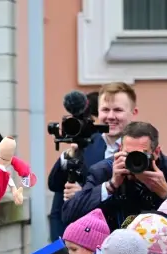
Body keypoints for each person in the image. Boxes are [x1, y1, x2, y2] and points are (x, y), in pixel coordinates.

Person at [62, 121, 167, 230]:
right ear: (120, 150)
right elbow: (68, 214)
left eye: (140, 155)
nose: (134, 160)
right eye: (128, 154)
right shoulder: (104, 171)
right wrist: (111, 185)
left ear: (156, 152)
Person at [48, 83, 138, 242]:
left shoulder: (140, 148)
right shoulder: (84, 146)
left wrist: (82, 197)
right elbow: (55, 187)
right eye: (105, 110)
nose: (110, 116)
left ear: (134, 113)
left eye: (117, 110)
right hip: (81, 244)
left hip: (123, 241)